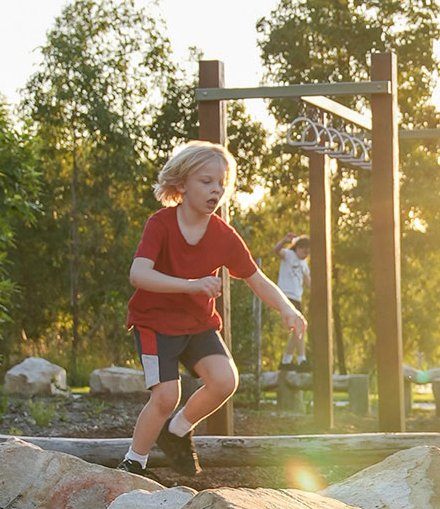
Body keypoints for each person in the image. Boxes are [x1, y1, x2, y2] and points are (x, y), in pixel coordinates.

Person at [120, 141, 305, 477]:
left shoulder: (223, 235)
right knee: (165, 397)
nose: (216, 190)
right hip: (155, 324)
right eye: (206, 181)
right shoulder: (160, 224)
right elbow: (138, 274)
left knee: (224, 381)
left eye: (221, 184)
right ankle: (134, 462)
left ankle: (176, 432)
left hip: (197, 324)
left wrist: (287, 308)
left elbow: (257, 279)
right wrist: (191, 284)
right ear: (182, 184)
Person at [272, 232, 312, 369]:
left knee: (298, 328)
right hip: (286, 295)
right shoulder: (289, 255)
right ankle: (301, 360)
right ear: (297, 248)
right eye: (303, 251)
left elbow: (309, 283)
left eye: (308, 253)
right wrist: (284, 240)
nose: (305, 255)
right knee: (300, 326)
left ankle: (286, 361)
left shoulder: (304, 264)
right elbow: (276, 250)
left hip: (297, 298)